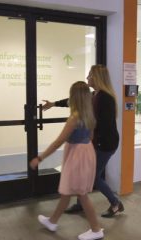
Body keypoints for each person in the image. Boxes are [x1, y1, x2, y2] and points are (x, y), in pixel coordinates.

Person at [42, 64, 124, 218]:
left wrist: (86, 135)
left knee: (93, 177)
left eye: (90, 75)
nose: (87, 78)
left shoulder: (105, 98)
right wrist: (53, 104)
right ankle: (81, 204)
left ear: (97, 78)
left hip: (105, 145)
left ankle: (115, 203)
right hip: (97, 143)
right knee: (86, 175)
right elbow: (75, 99)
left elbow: (103, 126)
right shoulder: (95, 95)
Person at [30, 81, 104, 240]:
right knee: (67, 191)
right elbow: (90, 137)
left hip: (77, 156)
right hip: (86, 153)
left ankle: (96, 230)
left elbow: (58, 142)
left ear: (74, 97)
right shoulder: (89, 116)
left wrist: (40, 158)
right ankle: (52, 221)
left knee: (81, 194)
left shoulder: (74, 118)